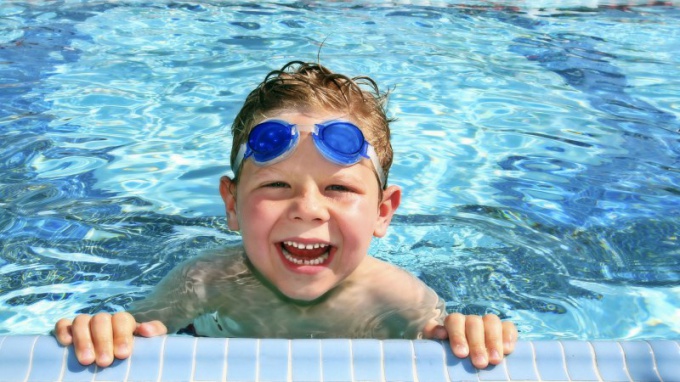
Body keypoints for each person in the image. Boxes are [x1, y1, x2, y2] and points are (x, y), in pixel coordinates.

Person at [54, 61, 517, 369]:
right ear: (232, 204)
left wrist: (471, 332)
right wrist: (106, 329)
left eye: (338, 187)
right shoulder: (205, 280)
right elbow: (135, 330)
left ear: (382, 212)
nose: (308, 210)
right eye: (276, 185)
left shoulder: (395, 296)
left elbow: (445, 343)